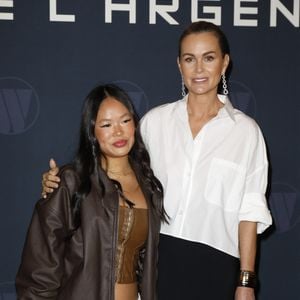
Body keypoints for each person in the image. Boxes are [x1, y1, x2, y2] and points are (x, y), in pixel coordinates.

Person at [41, 21, 272, 299]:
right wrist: (64, 181)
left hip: (217, 266)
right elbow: (115, 170)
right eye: (190, 59)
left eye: (208, 58)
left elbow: (250, 212)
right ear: (179, 65)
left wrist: (245, 282)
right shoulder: (155, 122)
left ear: (224, 63)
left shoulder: (246, 132)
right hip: (157, 264)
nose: (199, 69)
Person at [16, 84, 167, 300]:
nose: (118, 131)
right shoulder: (72, 181)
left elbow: (146, 265)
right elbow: (41, 267)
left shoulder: (149, 186)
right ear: (92, 132)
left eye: (125, 120)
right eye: (106, 124)